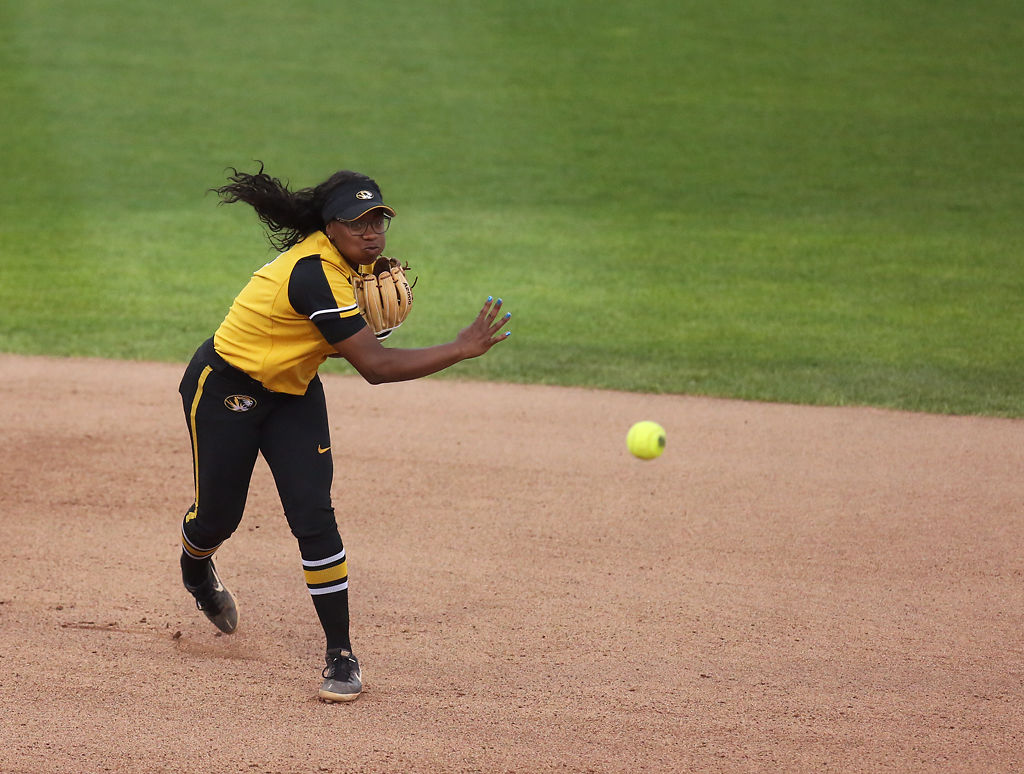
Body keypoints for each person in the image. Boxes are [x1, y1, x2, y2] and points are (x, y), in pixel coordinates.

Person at [177, 164, 511, 702]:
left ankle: (340, 655)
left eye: (378, 221)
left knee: (313, 516)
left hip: (294, 393)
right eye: (358, 224)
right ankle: (196, 570)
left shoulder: (353, 267)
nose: (371, 233)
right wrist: (460, 348)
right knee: (219, 515)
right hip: (225, 389)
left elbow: (330, 342)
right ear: (330, 227)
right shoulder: (314, 272)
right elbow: (374, 366)